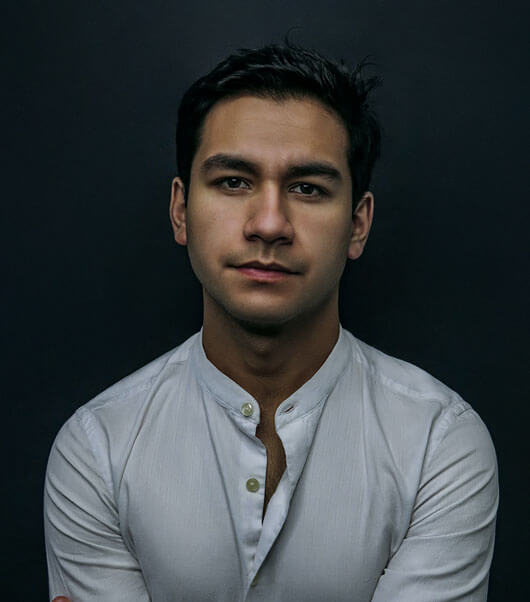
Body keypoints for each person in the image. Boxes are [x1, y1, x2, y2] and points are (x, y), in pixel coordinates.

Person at [44, 43, 498, 602]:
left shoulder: (440, 444)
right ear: (181, 211)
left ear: (358, 225)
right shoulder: (97, 451)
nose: (268, 223)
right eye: (234, 181)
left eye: (308, 188)